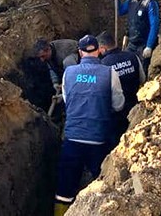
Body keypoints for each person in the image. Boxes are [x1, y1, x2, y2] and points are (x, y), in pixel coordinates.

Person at [54, 35, 124, 215]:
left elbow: (68, 101)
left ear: (80, 52)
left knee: (64, 190)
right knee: (101, 187)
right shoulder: (110, 73)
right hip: (98, 140)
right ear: (99, 51)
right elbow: (118, 105)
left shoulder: (68, 73)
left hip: (72, 139)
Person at [97, 31, 144, 146]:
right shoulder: (133, 57)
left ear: (102, 48)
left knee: (115, 144)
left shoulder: (102, 65)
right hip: (135, 108)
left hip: (114, 115)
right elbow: (142, 79)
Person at [111, 0, 160, 76]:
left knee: (142, 71)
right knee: (128, 70)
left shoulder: (150, 3)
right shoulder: (131, 0)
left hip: (144, 44)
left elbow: (154, 25)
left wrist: (149, 46)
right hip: (132, 44)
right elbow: (120, 11)